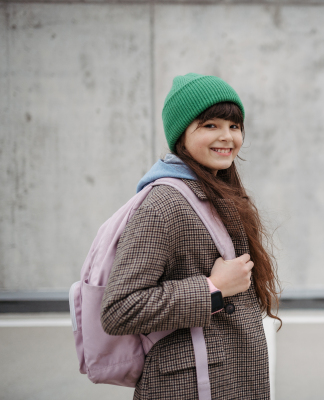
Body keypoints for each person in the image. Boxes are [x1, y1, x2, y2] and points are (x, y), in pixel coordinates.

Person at [100, 73, 280, 400]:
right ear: (181, 134)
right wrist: (214, 289)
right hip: (189, 387)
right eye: (210, 125)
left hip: (225, 376)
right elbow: (119, 309)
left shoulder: (216, 192)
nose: (228, 137)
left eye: (234, 126)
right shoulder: (164, 204)